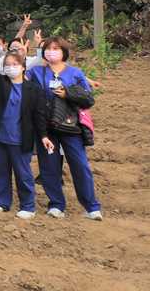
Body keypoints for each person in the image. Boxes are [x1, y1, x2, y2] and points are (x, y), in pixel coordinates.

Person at [27, 37, 102, 220]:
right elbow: (21, 84)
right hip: (47, 128)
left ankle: (91, 206)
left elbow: (87, 99)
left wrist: (67, 93)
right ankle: (56, 204)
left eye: (56, 48)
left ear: (64, 52)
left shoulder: (75, 73)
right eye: (48, 48)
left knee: (80, 165)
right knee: (49, 167)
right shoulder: (37, 72)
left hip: (71, 127)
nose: (51, 51)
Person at [0, 53, 47, 219]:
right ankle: (2, 202)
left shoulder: (34, 89)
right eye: (7, 64)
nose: (11, 67)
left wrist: (44, 136)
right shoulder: (2, 83)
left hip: (20, 138)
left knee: (23, 174)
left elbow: (39, 115)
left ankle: (28, 206)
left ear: (23, 67)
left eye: (15, 64)